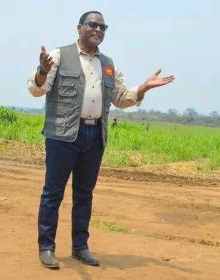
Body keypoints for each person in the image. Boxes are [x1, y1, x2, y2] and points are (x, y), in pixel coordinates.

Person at [27, 10, 174, 269]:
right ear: (79, 28)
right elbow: (36, 89)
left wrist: (143, 88)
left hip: (95, 136)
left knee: (84, 195)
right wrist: (41, 70)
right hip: (62, 135)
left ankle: (80, 247)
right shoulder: (60, 56)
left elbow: (120, 98)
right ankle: (47, 247)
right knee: (53, 194)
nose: (98, 30)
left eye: (103, 27)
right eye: (92, 25)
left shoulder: (108, 64)